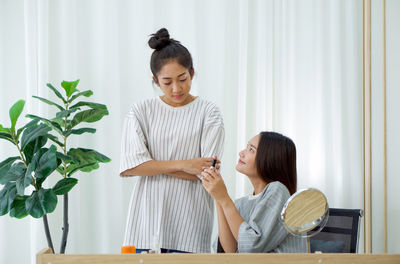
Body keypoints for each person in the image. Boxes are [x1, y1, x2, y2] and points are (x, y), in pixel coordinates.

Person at [119, 28, 225, 253]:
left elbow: (207, 174)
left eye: (182, 79)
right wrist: (184, 164)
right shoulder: (141, 111)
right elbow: (131, 166)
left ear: (192, 72)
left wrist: (150, 165)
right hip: (144, 228)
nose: (176, 88)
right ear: (155, 80)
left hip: (191, 229)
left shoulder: (209, 113)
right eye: (167, 82)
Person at [201, 131, 306, 253]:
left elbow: (252, 247)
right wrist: (218, 197)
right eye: (247, 147)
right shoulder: (241, 204)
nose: (241, 153)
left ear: (270, 158)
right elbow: (231, 251)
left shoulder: (278, 191)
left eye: (251, 150)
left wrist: (224, 198)